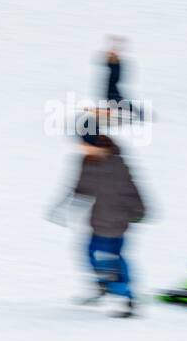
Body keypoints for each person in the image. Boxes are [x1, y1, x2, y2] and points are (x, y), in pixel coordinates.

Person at [50, 130, 148, 317]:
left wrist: (140, 210)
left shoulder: (116, 165)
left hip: (116, 221)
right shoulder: (87, 162)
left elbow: (132, 188)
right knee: (91, 253)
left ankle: (127, 299)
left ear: (96, 144)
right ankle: (104, 287)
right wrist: (62, 207)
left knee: (111, 260)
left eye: (85, 145)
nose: (82, 148)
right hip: (98, 220)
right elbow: (79, 188)